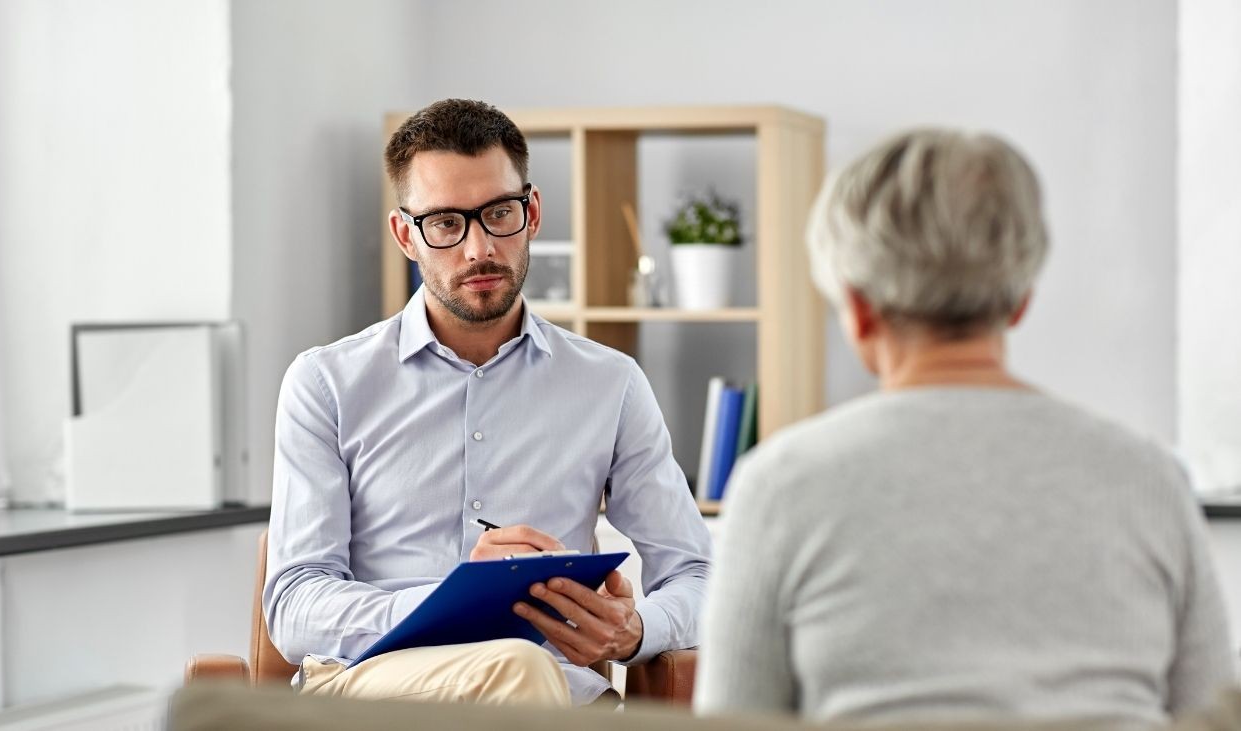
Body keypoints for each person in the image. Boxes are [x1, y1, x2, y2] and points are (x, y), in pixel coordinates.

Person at [694, 129, 1236, 724]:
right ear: (1021, 298)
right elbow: (1211, 714)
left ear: (858, 307)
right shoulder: (1149, 477)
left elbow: (733, 721)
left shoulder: (779, 485)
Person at [263, 98, 711, 708]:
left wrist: (635, 630)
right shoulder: (325, 383)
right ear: (405, 234)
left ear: (531, 213)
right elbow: (292, 606)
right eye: (446, 222)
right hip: (375, 695)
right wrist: (459, 598)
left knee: (525, 672)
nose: (478, 249)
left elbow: (698, 575)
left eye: (498, 213)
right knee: (517, 668)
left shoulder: (612, 384)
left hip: (560, 697)